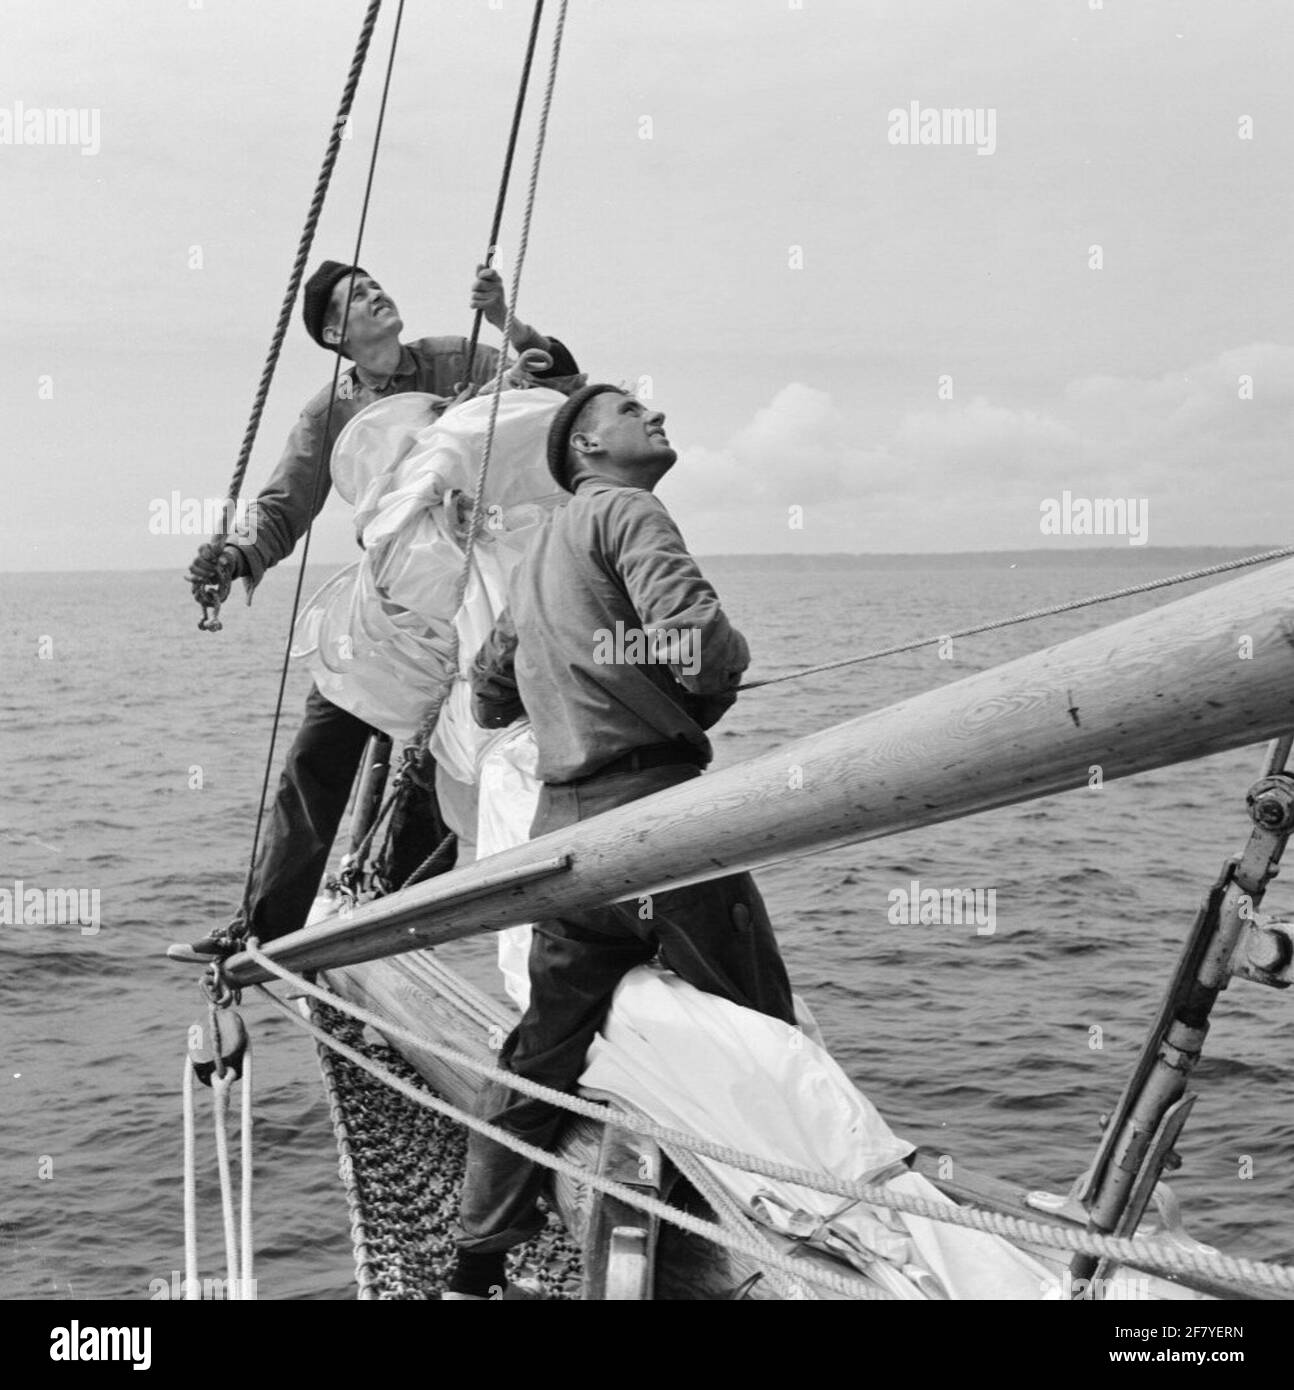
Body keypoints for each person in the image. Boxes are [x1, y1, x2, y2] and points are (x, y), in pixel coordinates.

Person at [445, 383, 797, 1300]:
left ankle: (474, 1261)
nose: (658, 414)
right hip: (654, 823)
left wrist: (573, 674)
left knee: (541, 1050)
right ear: (589, 448)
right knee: (763, 1033)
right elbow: (698, 646)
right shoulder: (629, 510)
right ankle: (804, 1248)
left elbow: (488, 697)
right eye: (634, 409)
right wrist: (720, 670)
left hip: (563, 841)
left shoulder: (534, 560)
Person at [169, 262, 580, 962]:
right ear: (335, 332)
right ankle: (266, 927)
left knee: (442, 757)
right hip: (389, 605)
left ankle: (394, 910)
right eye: (357, 296)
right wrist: (236, 558)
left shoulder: (459, 356)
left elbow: (559, 390)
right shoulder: (329, 411)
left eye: (375, 284)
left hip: (475, 598)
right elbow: (283, 505)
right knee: (318, 757)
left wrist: (508, 318)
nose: (377, 294)